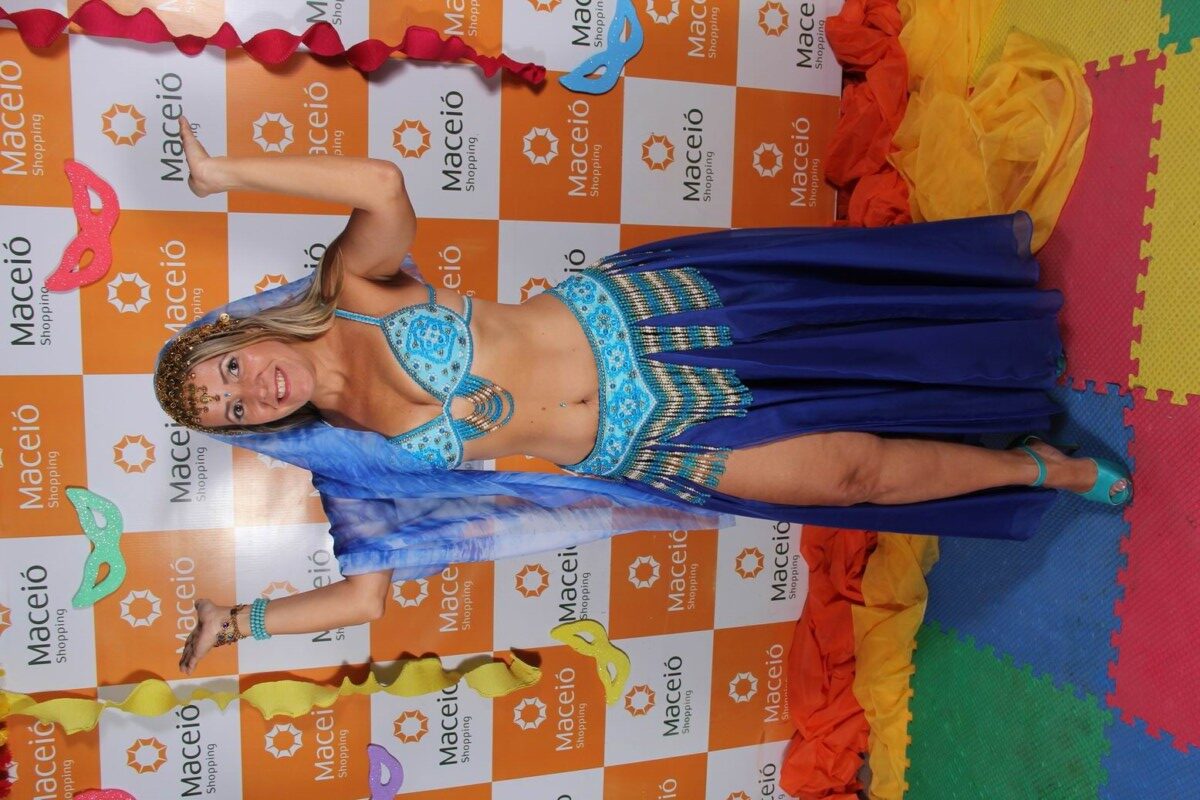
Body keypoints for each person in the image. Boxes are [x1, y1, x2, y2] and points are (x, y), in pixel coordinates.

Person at [162, 117, 1130, 674]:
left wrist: (222, 171)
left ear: (238, 335)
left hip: (651, 324)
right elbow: (368, 594)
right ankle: (1034, 467)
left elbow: (380, 182)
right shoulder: (351, 457)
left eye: (229, 372)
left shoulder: (349, 289)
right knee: (850, 475)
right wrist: (240, 624)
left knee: (848, 341)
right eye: (231, 410)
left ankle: (985, 362)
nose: (251, 392)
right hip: (639, 445)